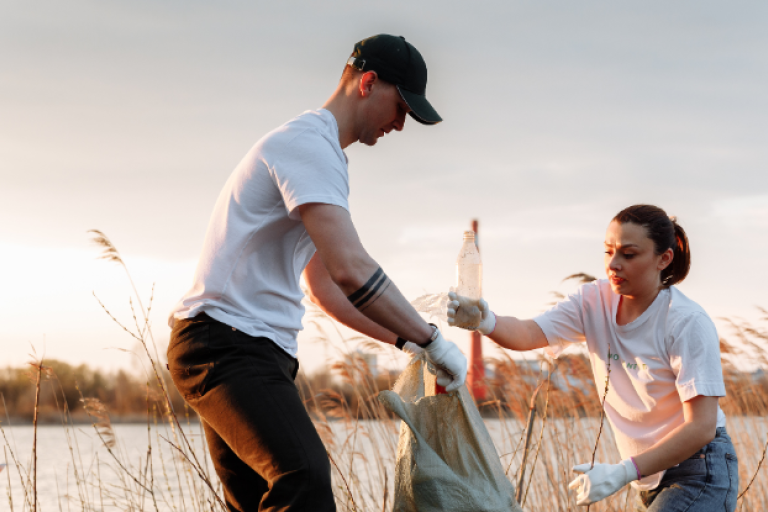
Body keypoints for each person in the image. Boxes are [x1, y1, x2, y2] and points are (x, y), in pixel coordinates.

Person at [166, 34, 467, 512]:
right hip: (226, 344)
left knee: (263, 500)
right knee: (302, 480)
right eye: (401, 107)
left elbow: (326, 286)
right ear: (368, 82)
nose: (401, 124)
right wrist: (432, 340)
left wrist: (406, 343)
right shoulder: (308, 146)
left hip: (249, 350)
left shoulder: (322, 157)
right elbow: (352, 268)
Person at [447, 204, 738, 511]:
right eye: (608, 251)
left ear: (663, 259)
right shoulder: (593, 300)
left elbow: (702, 427)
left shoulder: (685, 321)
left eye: (628, 254)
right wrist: (484, 320)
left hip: (699, 470)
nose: (613, 264)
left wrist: (623, 471)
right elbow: (529, 333)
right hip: (650, 476)